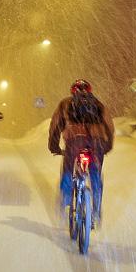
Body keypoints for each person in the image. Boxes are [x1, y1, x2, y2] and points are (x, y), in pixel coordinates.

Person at [48, 79, 114, 227]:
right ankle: (96, 208)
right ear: (89, 91)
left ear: (72, 91)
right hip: (97, 142)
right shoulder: (98, 104)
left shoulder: (65, 104)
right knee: (95, 171)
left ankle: (65, 202)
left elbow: (55, 127)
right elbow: (109, 126)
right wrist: (107, 145)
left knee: (68, 168)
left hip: (74, 141)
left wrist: (54, 147)